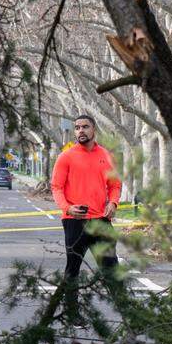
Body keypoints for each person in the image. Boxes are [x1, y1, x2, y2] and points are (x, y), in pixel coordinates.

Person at [50, 114, 121, 307]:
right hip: (75, 221)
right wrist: (68, 208)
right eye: (77, 127)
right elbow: (56, 187)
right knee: (73, 269)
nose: (81, 130)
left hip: (101, 220)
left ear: (94, 130)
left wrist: (113, 203)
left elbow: (115, 185)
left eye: (85, 127)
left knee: (112, 268)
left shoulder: (106, 156)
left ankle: (128, 313)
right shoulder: (66, 156)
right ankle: (71, 311)